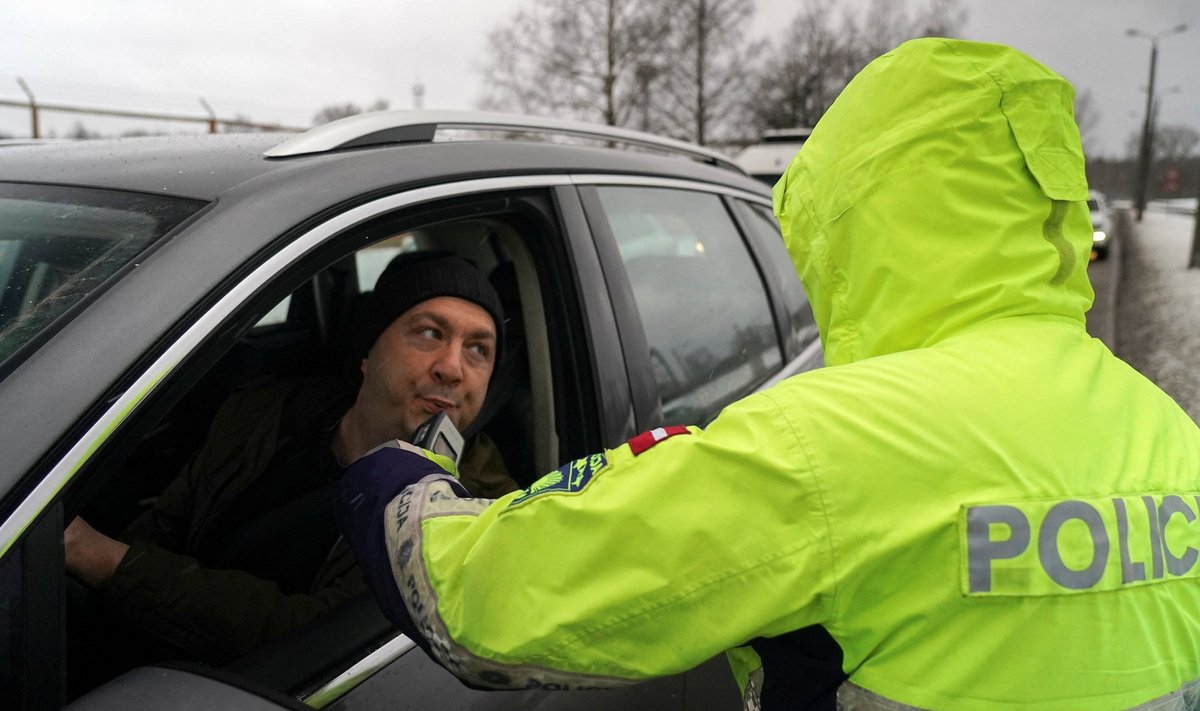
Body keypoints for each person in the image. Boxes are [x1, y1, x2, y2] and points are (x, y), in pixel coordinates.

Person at [333, 38, 1200, 710]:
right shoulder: (1165, 430)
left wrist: (390, 474)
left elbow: (486, 599)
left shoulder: (830, 444)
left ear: (856, 218)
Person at [64, 251, 520, 664]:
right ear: (367, 353)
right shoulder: (263, 414)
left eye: (479, 350)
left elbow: (306, 635)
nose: (452, 368)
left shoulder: (472, 515)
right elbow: (168, 524)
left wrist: (106, 561)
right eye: (428, 332)